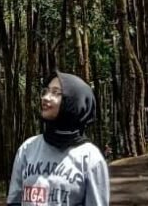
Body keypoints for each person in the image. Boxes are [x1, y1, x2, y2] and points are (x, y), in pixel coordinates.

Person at [7, 71, 110, 206]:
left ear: (73, 101)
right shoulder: (28, 148)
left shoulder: (90, 158)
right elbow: (14, 201)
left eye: (56, 93)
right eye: (46, 91)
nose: (46, 98)